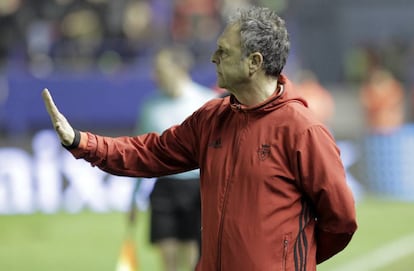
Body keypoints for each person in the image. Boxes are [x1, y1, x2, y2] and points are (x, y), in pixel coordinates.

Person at [42, 6, 357, 271]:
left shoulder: (302, 130)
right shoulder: (211, 118)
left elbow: (340, 220)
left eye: (224, 51)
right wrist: (81, 141)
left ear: (255, 63)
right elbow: (149, 152)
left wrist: (287, 261)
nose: (213, 58)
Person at [131, 46, 216, 271]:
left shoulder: (207, 102)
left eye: (160, 70)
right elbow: (141, 153)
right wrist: (133, 199)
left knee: (191, 258)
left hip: (198, 188)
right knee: (167, 262)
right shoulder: (150, 106)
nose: (154, 76)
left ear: (180, 68)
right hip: (164, 187)